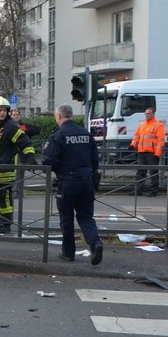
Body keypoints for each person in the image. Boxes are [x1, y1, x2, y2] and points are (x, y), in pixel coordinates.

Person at [42, 103, 104, 265]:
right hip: (87, 180)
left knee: (66, 218)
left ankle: (68, 253)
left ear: (59, 116)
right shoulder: (85, 133)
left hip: (68, 181)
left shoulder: (58, 135)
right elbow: (95, 160)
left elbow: (49, 161)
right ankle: (95, 243)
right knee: (85, 216)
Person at [0, 97, 38, 235]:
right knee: (1, 200)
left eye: (4, 110)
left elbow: (25, 143)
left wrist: (30, 159)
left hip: (2, 173)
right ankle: (4, 224)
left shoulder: (10, 127)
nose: (2, 113)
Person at [130, 107, 166, 196]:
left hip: (152, 153)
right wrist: (133, 145)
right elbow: (136, 136)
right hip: (142, 152)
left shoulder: (158, 125)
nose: (146, 115)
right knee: (140, 172)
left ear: (153, 114)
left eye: (148, 113)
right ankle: (138, 190)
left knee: (153, 172)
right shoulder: (142, 125)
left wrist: (157, 153)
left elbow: (161, 141)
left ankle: (153, 191)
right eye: (145, 113)